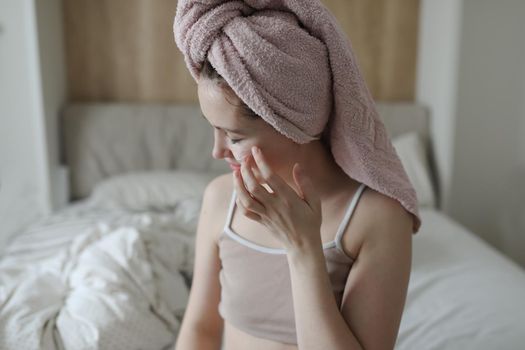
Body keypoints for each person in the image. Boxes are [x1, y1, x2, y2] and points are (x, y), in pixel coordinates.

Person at [173, 1, 421, 349]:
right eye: (213, 130)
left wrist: (303, 247)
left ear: (292, 125)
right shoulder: (219, 199)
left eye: (234, 136)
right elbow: (200, 330)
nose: (217, 152)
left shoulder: (378, 219)